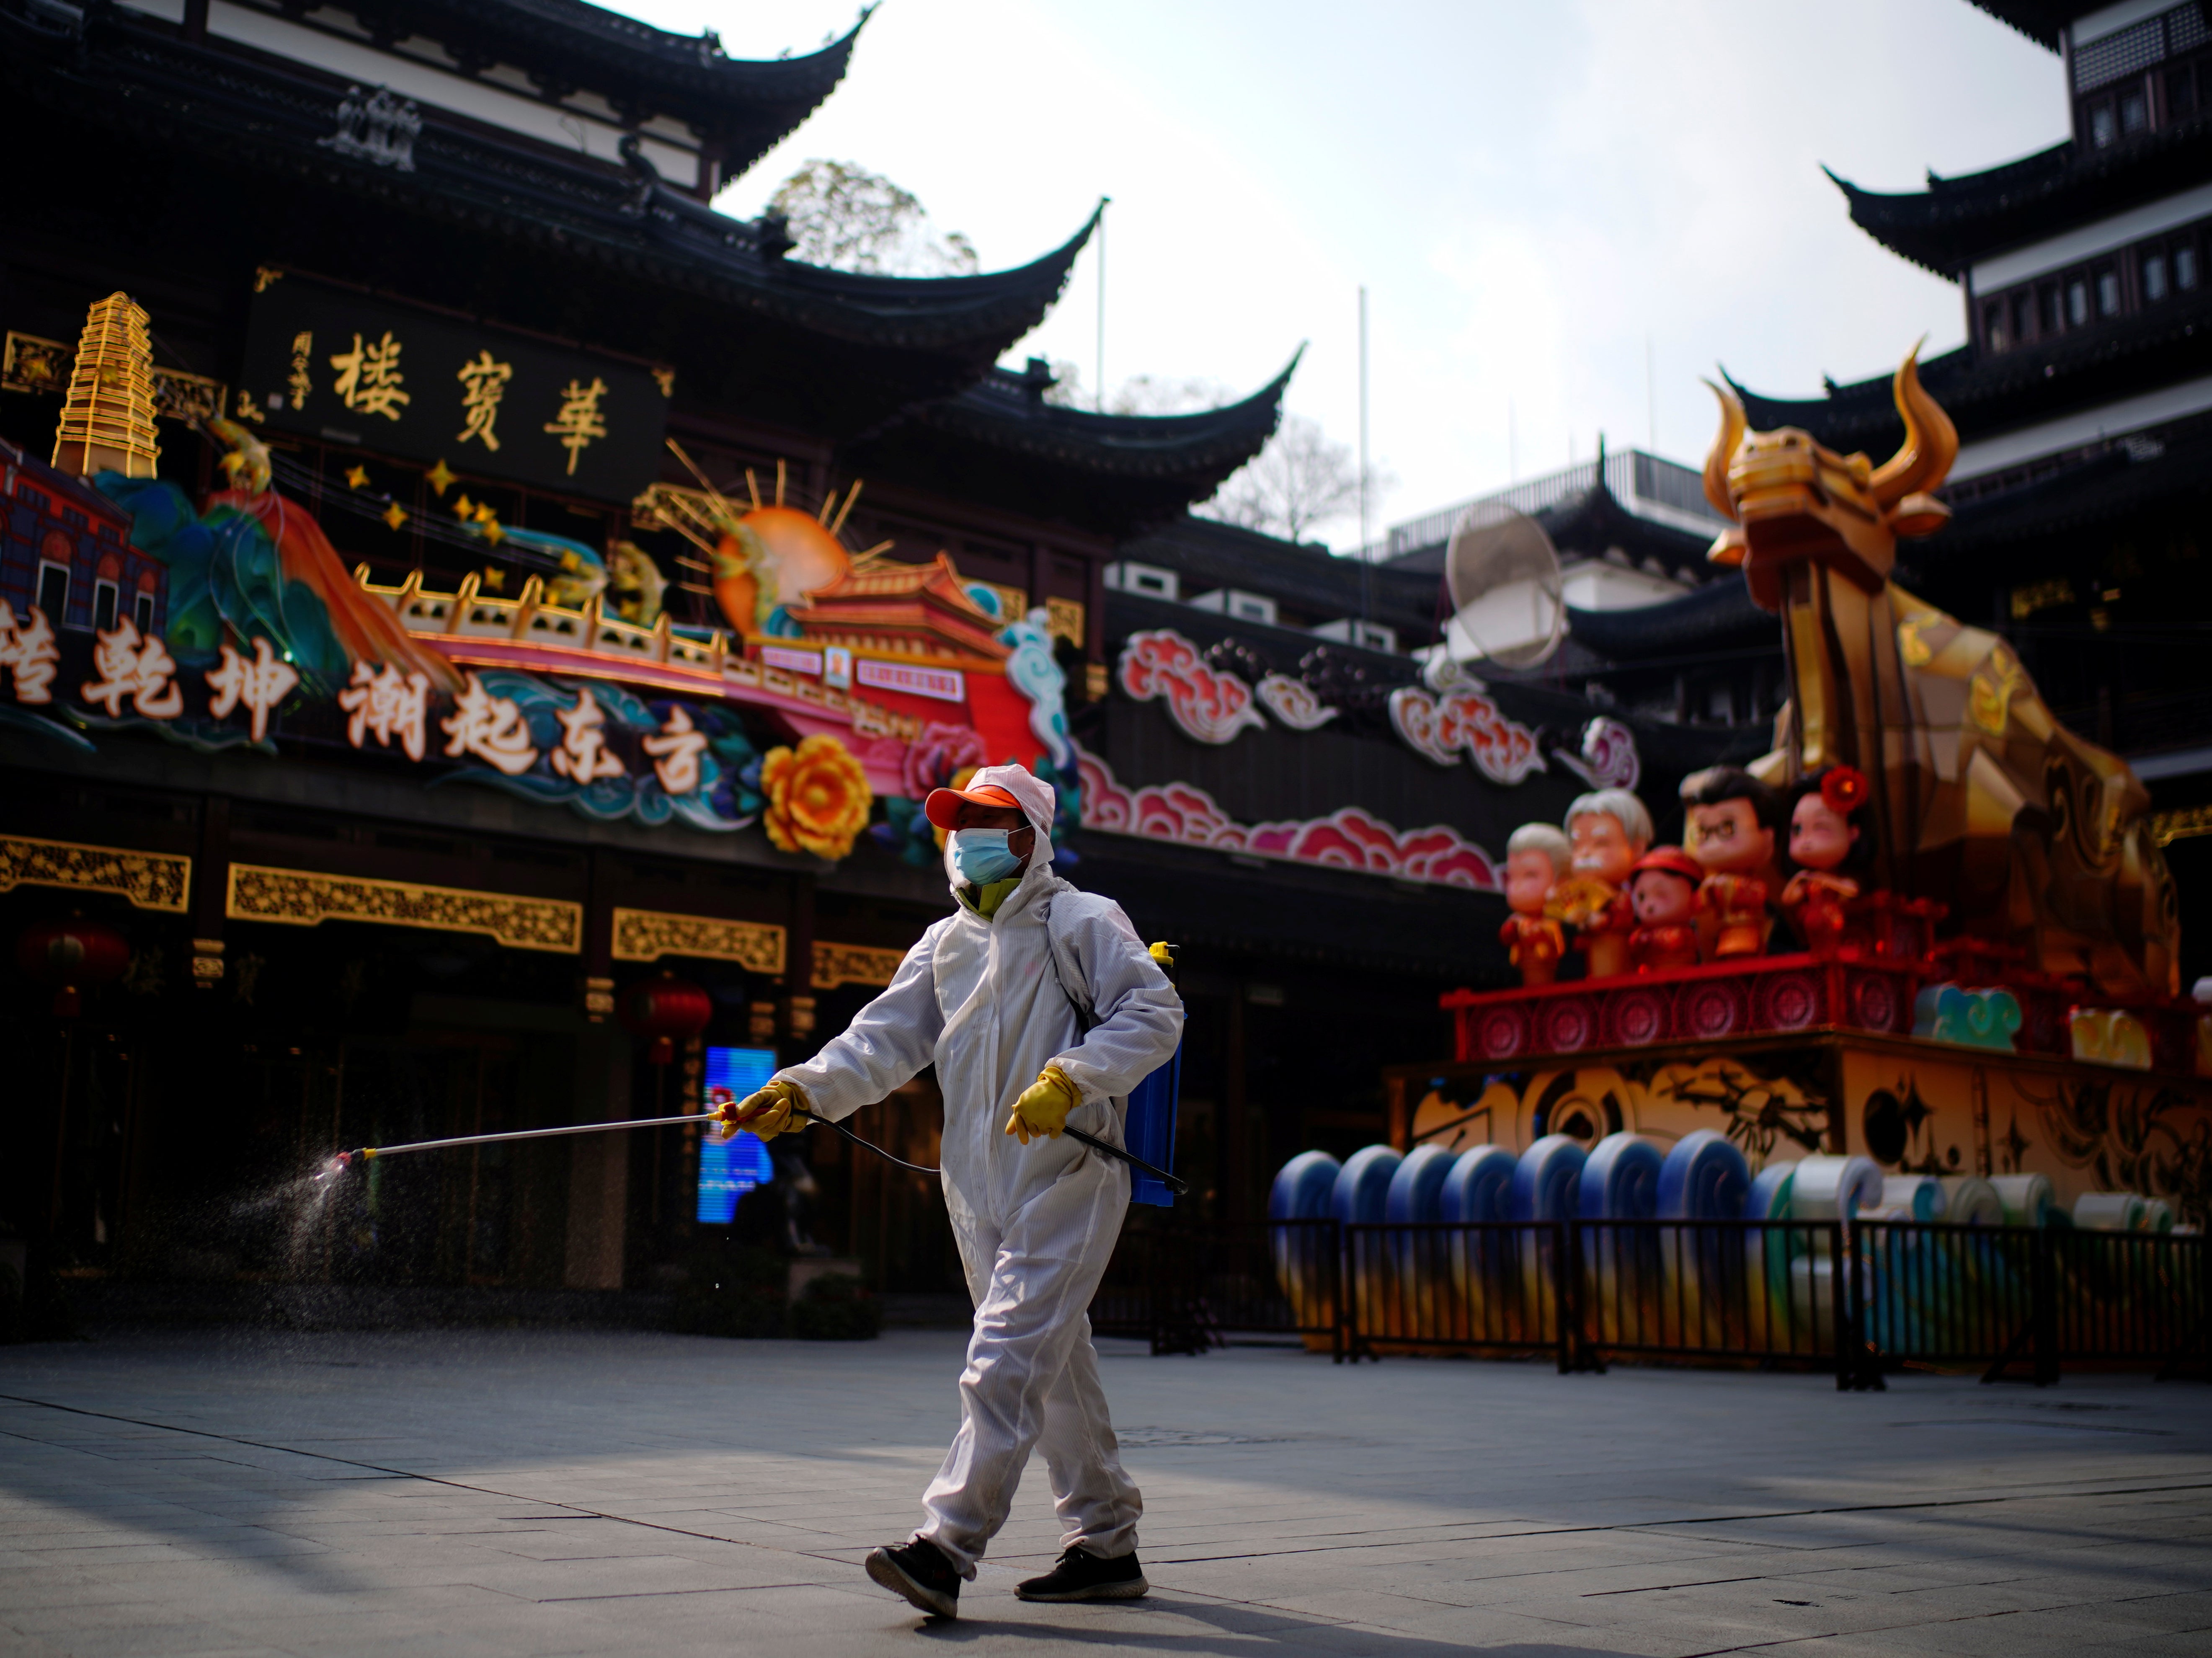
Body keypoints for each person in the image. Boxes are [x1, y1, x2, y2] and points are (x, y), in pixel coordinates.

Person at [712, 762, 1182, 1622]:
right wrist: (801, 1089)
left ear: (1032, 839)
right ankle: (1107, 1542)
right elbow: (879, 1043)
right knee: (1053, 1364)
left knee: (1004, 1356)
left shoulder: (1081, 920)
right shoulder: (944, 943)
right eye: (957, 821)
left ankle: (945, 1546)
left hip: (1072, 1175)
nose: (965, 837)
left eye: (988, 822)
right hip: (977, 1189)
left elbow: (1153, 1014)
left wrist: (1072, 1077)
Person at [1679, 766, 1784, 960]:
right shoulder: (1706, 886)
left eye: (1727, 828)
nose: (1714, 843)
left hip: (1753, 941)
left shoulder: (1762, 891)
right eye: (1703, 832)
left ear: (1768, 838)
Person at [1550, 789, 1652, 980]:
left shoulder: (1631, 896)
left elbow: (1626, 916)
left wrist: (1602, 920)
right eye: (1577, 846)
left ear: (1637, 848)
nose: (1585, 854)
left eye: (1601, 843)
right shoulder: (1583, 894)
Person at [1500, 824, 1572, 987]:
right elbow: (1506, 936)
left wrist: (1536, 933)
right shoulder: (1518, 920)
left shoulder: (1552, 922)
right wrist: (1514, 929)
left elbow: (1556, 943)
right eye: (1512, 877)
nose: (1517, 886)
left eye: (1530, 876)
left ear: (1562, 881)